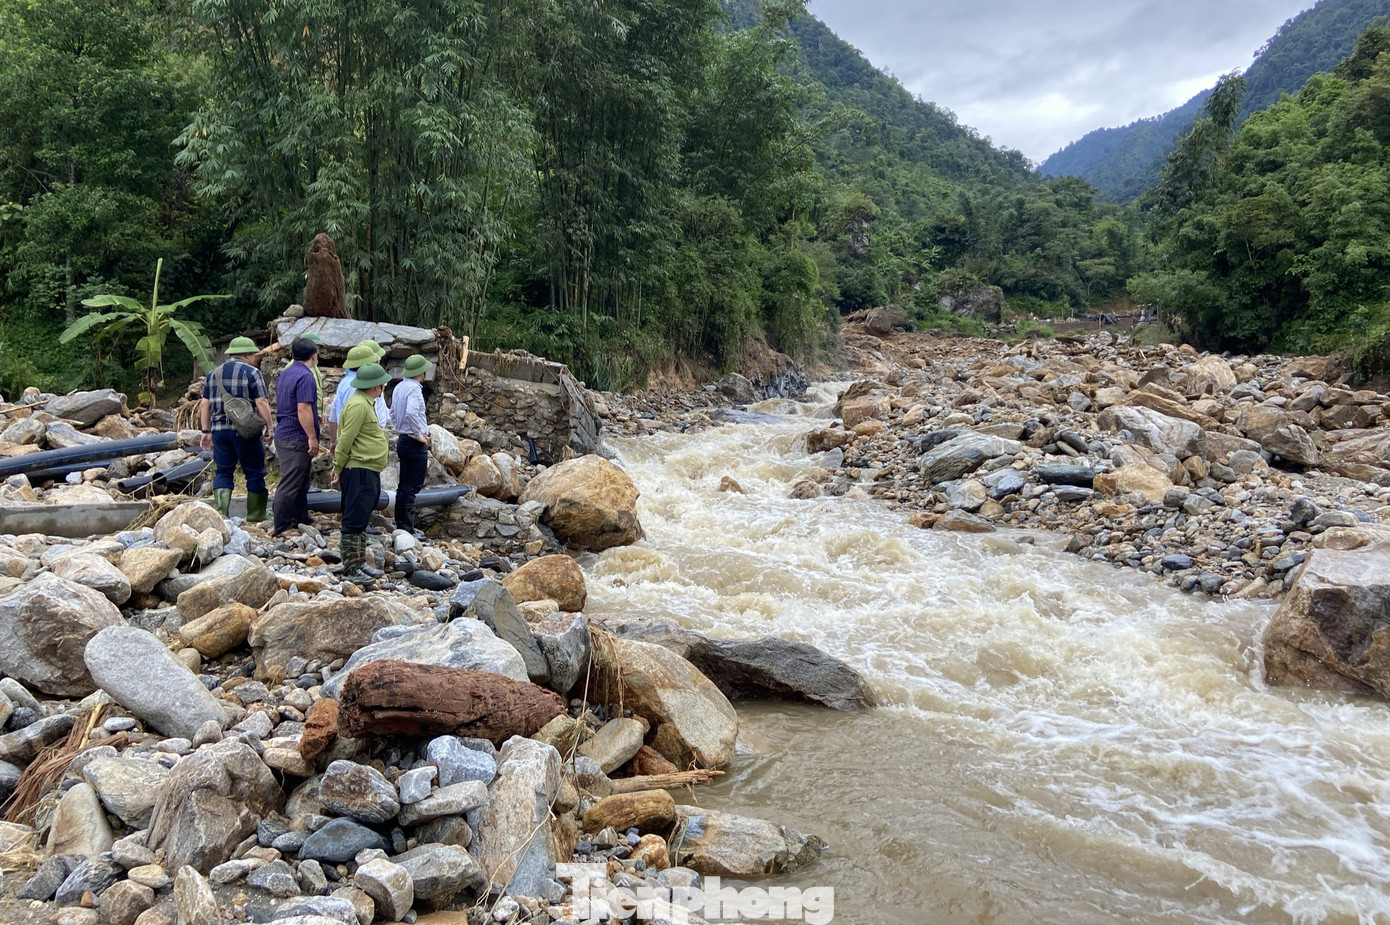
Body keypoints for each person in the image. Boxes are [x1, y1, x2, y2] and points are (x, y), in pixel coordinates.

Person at [199, 336, 275, 520]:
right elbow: (261, 402)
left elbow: (204, 404)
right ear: (247, 354)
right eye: (254, 354)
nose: (255, 358)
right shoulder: (252, 372)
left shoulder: (213, 373)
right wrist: (270, 427)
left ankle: (222, 513)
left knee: (223, 471)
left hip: (219, 431)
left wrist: (206, 431)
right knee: (254, 472)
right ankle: (256, 514)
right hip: (245, 431)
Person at [333, 362, 390, 581]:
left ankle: (358, 562)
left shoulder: (365, 403)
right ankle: (351, 567)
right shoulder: (358, 406)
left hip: (367, 468)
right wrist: (337, 467)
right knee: (354, 517)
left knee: (362, 515)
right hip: (358, 468)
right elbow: (345, 439)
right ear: (376, 386)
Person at [272, 337, 321, 536]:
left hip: (284, 432)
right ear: (314, 356)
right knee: (291, 482)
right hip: (296, 436)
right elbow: (303, 408)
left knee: (301, 481)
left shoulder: (286, 374)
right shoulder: (306, 376)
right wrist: (312, 437)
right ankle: (282, 525)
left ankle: (301, 518)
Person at [390, 354, 432, 536]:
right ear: (422, 372)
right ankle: (407, 528)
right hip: (413, 442)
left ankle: (400, 524)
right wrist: (418, 434)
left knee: (403, 485)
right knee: (412, 486)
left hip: (403, 438)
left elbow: (392, 413)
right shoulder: (414, 389)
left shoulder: (399, 386)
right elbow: (412, 412)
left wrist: (400, 428)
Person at [328, 340, 391, 447]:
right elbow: (354, 421)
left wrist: (333, 441)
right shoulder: (360, 386)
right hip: (361, 443)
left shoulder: (345, 382)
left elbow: (334, 413)